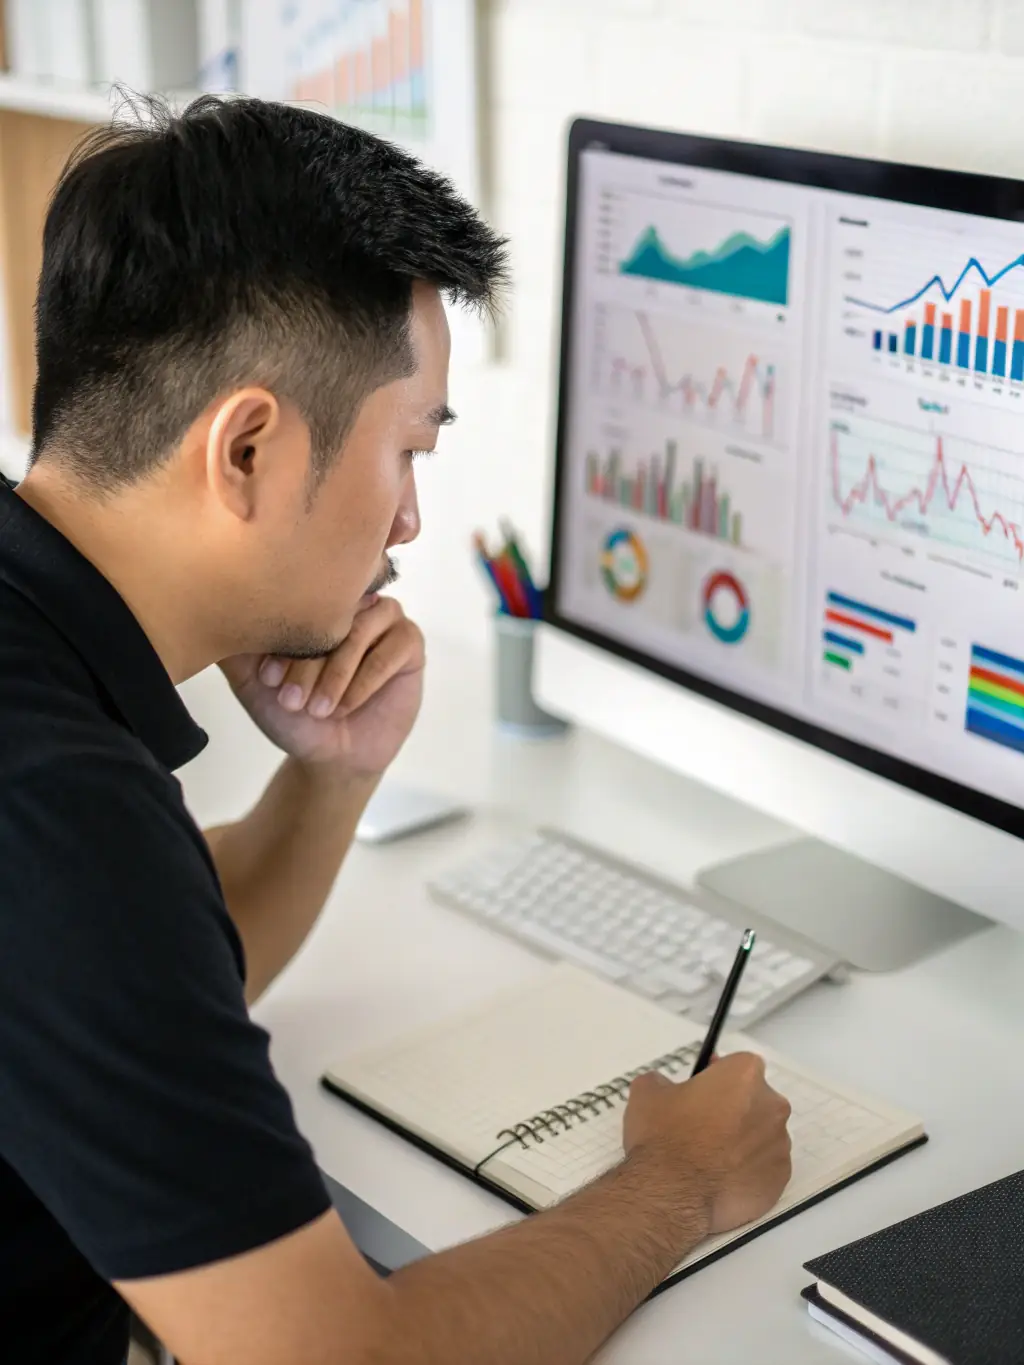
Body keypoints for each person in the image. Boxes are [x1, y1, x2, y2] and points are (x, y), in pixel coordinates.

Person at [0, 96, 792, 1365]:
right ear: (248, 449)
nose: (411, 520)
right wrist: (681, 1184)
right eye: (408, 449)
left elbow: (131, 977)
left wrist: (331, 780)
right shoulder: (54, 808)